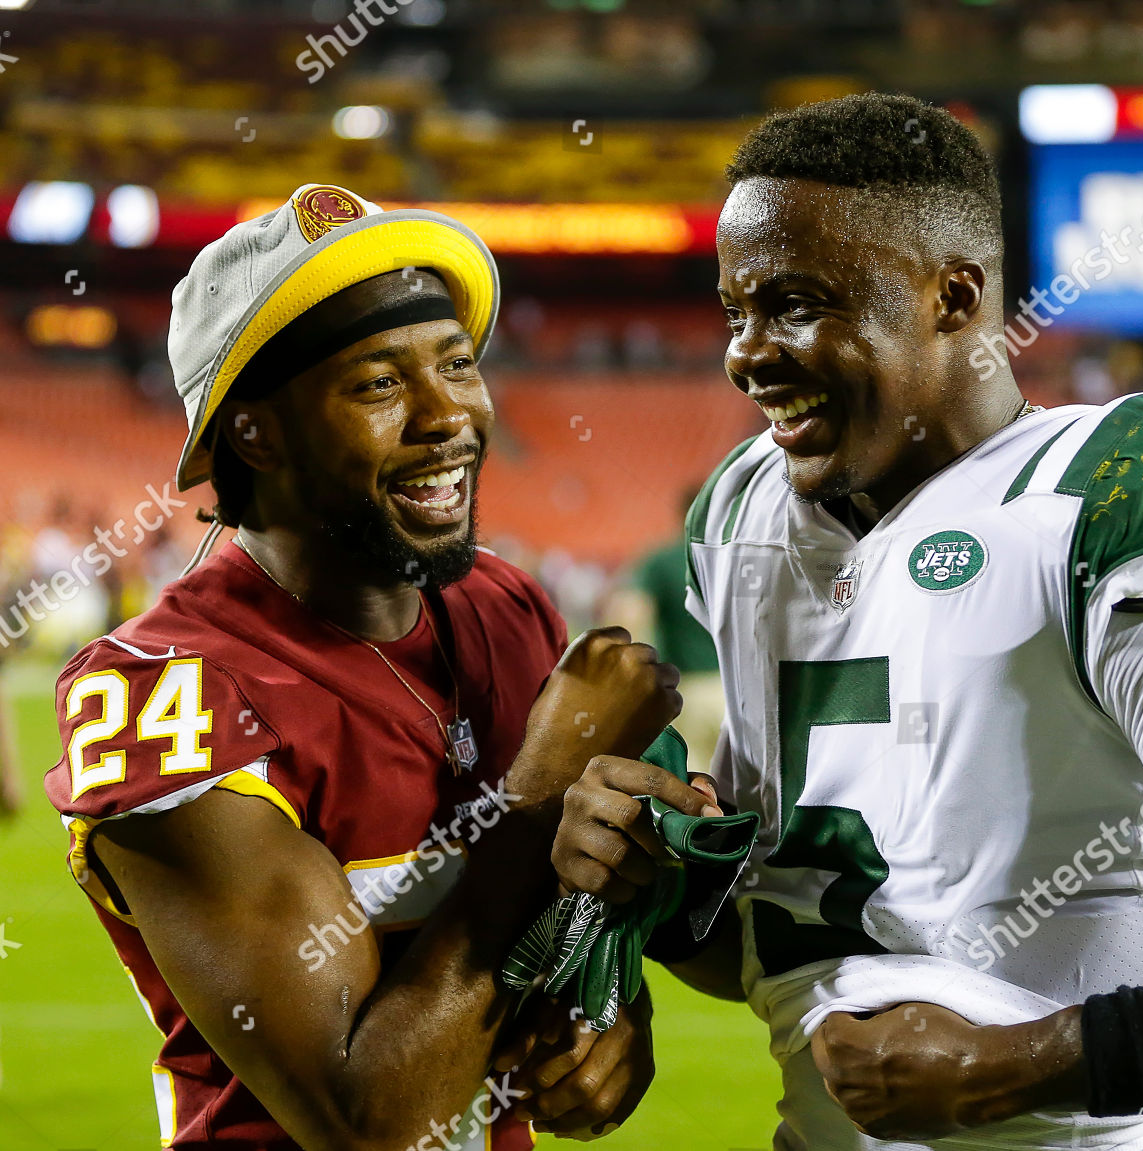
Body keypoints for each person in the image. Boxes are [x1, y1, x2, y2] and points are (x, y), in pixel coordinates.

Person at [549, 95, 1143, 1150]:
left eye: (797, 304)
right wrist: (659, 885)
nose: (748, 354)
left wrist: (1018, 1065)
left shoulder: (1104, 493)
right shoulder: (749, 510)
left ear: (956, 296)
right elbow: (798, 934)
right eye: (735, 309)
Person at [44, 184, 705, 1150]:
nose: (451, 417)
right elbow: (372, 1125)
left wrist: (605, 1024)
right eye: (380, 384)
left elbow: (550, 933)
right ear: (255, 431)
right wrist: (540, 793)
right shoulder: (167, 695)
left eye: (458, 365)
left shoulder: (505, 607)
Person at [604, 488, 725, 770]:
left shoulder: (661, 560)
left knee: (695, 779)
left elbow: (631, 613)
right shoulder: (740, 557)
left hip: (689, 687)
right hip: (737, 691)